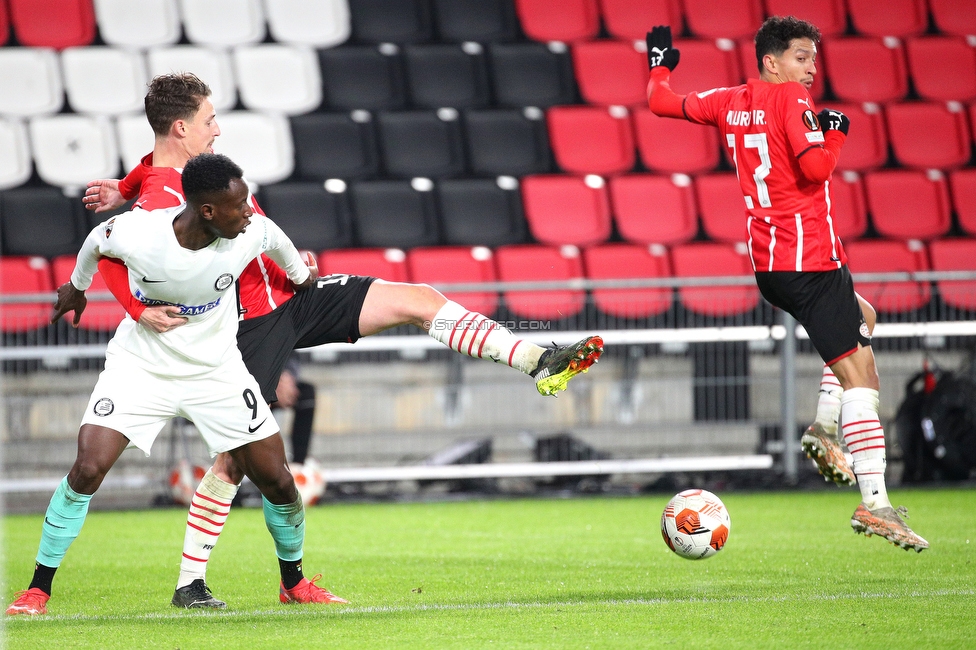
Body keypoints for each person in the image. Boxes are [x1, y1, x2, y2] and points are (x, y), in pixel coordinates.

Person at [81, 73, 605, 608]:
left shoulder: (170, 173)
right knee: (234, 461)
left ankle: (538, 359)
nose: (217, 129)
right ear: (181, 126)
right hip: (249, 325)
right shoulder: (162, 197)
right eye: (209, 119)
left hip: (294, 295)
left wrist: (118, 188)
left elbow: (150, 169)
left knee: (416, 298)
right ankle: (191, 582)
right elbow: (113, 249)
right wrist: (139, 307)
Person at [6, 153, 349, 617]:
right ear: (207, 210)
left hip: (217, 371)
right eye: (240, 204)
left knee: (280, 482)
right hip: (141, 367)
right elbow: (95, 241)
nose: (250, 211)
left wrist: (305, 276)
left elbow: (288, 255)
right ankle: (37, 590)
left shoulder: (253, 232)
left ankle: (293, 582)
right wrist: (77, 286)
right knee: (88, 467)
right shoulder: (139, 232)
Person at [646, 17, 927, 551]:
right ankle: (877, 507)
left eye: (814, 59)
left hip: (771, 264)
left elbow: (662, 103)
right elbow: (818, 168)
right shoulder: (791, 101)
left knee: (865, 317)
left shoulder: (728, 100)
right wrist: (837, 130)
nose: (811, 69)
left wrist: (660, 64)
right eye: (802, 58)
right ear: (772, 61)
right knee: (863, 384)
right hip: (809, 260)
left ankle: (823, 430)